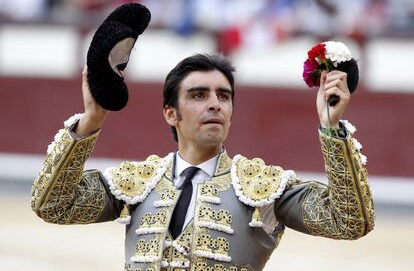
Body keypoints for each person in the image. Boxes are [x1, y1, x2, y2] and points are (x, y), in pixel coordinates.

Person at [31, 53, 374, 271]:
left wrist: (331, 129)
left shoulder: (263, 188)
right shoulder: (136, 183)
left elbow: (349, 221)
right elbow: (53, 206)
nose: (214, 104)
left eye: (223, 96)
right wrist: (91, 121)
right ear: (171, 113)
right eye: (198, 95)